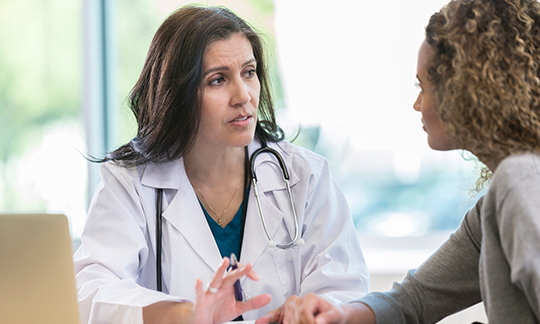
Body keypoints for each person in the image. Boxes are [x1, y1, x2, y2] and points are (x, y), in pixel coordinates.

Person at [73, 5, 369, 324]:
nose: (243, 96)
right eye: (218, 80)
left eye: (249, 72)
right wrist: (186, 314)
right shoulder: (130, 184)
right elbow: (91, 291)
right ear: (177, 94)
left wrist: (313, 314)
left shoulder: (305, 177)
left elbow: (344, 289)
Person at [271, 0, 540, 323]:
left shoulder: (521, 180)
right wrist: (338, 315)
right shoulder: (496, 207)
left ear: (464, 91)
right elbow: (413, 300)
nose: (416, 104)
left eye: (422, 87)